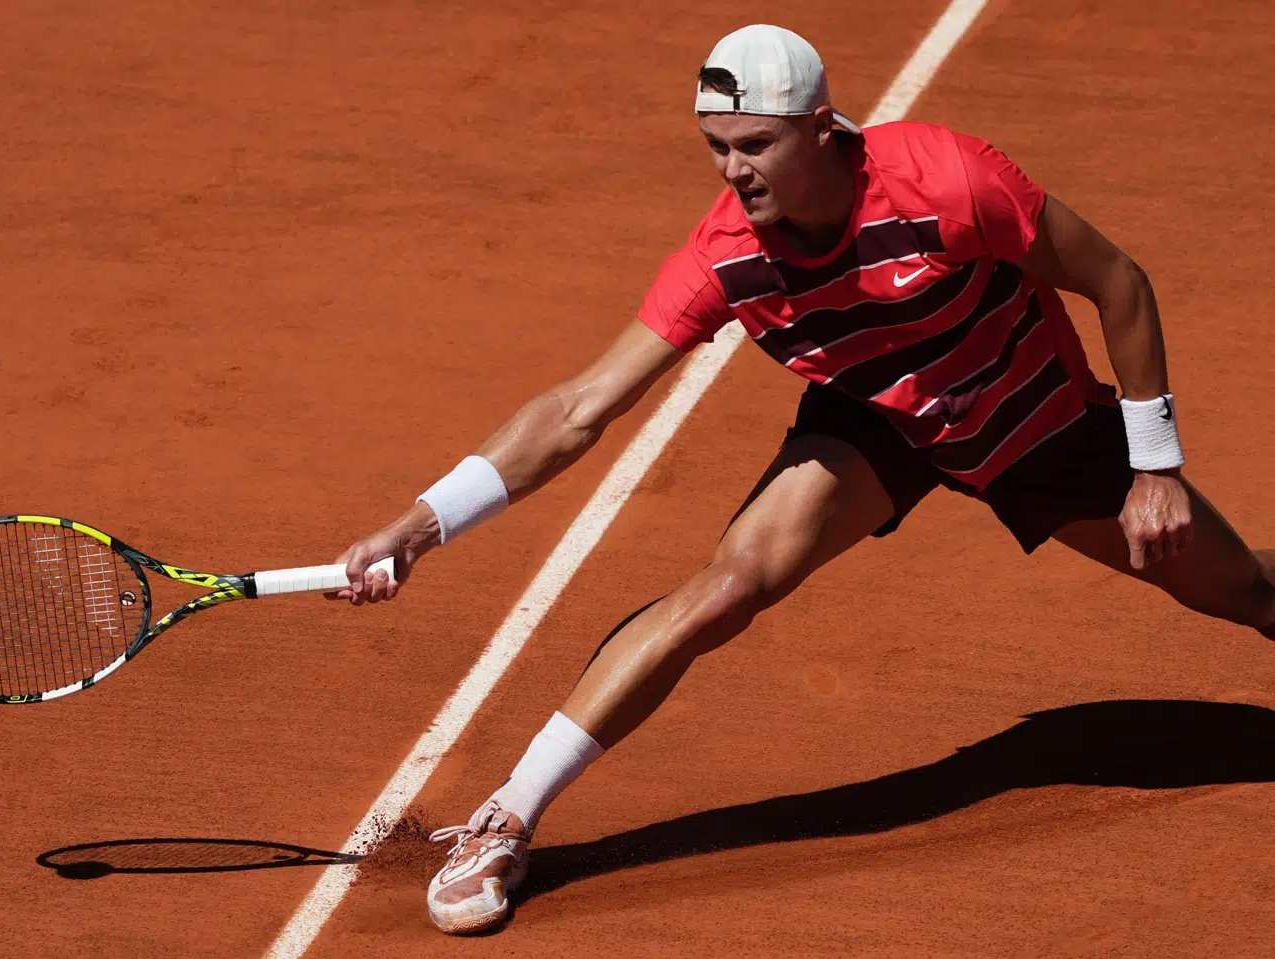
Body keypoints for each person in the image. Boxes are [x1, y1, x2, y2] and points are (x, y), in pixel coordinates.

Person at [328, 24, 1275, 935]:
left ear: (824, 130)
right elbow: (582, 406)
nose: (734, 172)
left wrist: (1155, 465)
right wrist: (418, 527)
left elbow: (1121, 281)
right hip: (879, 422)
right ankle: (507, 818)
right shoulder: (727, 255)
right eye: (716, 147)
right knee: (728, 586)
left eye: (757, 145)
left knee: (1243, 592)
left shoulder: (948, 180)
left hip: (1032, 420)